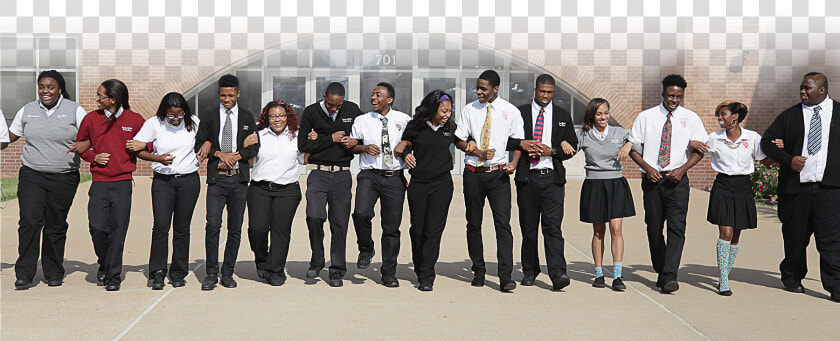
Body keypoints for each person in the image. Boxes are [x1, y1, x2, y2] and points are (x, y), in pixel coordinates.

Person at [3, 70, 87, 288]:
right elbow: (8, 138)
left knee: (55, 224)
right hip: (33, 174)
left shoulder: (75, 110)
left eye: (50, 87)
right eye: (41, 87)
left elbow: (91, 136)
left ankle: (53, 272)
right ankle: (24, 273)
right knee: (30, 222)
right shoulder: (27, 110)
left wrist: (85, 145)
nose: (45, 91)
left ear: (59, 88)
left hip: (64, 176)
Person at [760, 72, 840, 302]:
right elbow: (767, 141)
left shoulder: (838, 113)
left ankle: (835, 285)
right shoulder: (790, 116)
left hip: (830, 190)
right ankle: (792, 276)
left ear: (822, 90)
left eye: (807, 89)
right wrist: (788, 160)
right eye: (801, 89)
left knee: (831, 240)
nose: (802, 92)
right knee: (796, 237)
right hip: (797, 189)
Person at [628, 74, 707, 293]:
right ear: (662, 94)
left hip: (677, 180)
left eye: (678, 96)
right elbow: (633, 147)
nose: (674, 100)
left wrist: (682, 170)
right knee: (654, 228)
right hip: (653, 179)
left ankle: (670, 275)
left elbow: (700, 150)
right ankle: (662, 268)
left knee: (677, 228)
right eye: (670, 95)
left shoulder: (691, 118)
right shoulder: (646, 117)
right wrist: (647, 168)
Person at [454, 70, 524, 291]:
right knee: (474, 223)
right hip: (473, 173)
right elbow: (459, 140)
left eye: (483, 88)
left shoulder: (510, 112)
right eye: (478, 87)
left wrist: (514, 163)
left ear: (496, 89)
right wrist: (473, 150)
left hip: (498, 175)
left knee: (503, 225)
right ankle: (479, 271)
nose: (478, 92)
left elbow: (517, 143)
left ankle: (505, 277)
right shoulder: (469, 110)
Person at [696, 101, 772, 296]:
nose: (719, 119)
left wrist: (778, 148)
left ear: (735, 117)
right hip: (723, 185)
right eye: (718, 115)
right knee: (726, 231)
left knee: (736, 233)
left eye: (723, 115)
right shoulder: (714, 138)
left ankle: (726, 271)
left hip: (743, 187)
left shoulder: (752, 137)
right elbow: (698, 153)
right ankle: (723, 279)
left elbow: (765, 160)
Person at [126, 92, 201, 290]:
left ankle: (178, 272)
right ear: (164, 113)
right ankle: (157, 272)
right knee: (161, 226)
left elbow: (206, 140)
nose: (176, 119)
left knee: (182, 228)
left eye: (179, 115)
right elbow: (136, 148)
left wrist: (207, 145)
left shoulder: (193, 122)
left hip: (188, 181)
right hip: (163, 182)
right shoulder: (154, 124)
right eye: (171, 115)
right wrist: (157, 159)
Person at [76, 79, 145, 291]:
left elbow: (150, 141)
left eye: (100, 96)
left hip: (123, 183)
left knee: (118, 230)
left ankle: (113, 275)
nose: (97, 99)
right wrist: (93, 157)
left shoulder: (134, 120)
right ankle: (104, 262)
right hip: (99, 183)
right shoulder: (90, 119)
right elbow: (80, 146)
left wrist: (144, 144)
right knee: (97, 228)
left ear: (113, 99)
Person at [394, 90, 465, 291]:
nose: (447, 114)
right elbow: (405, 144)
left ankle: (427, 275)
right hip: (418, 184)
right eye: (443, 110)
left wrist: (474, 147)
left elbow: (462, 143)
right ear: (433, 108)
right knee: (418, 229)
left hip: (442, 184)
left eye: (449, 110)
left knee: (434, 230)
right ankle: (420, 265)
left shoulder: (450, 127)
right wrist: (406, 153)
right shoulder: (415, 126)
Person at [512, 74, 578, 291]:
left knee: (552, 227)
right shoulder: (520, 113)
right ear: (535, 90)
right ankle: (530, 271)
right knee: (529, 228)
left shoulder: (562, 115)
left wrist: (555, 150)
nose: (546, 96)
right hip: (527, 177)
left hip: (552, 179)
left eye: (550, 92)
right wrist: (522, 144)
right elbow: (508, 139)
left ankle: (558, 272)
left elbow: (572, 146)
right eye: (542, 92)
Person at [194, 74, 259, 291]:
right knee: (213, 225)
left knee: (234, 229)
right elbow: (200, 144)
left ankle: (228, 273)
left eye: (231, 95)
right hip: (217, 181)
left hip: (238, 181)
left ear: (238, 94)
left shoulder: (248, 117)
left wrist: (235, 156)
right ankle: (211, 273)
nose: (226, 99)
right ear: (218, 94)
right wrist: (220, 154)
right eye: (223, 95)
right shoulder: (210, 116)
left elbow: (254, 147)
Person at [298, 82, 363, 287]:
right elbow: (303, 145)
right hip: (318, 173)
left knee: (339, 223)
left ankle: (337, 269)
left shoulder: (352, 110)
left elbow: (363, 135)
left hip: (342, 175)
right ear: (324, 96)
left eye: (338, 105)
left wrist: (354, 142)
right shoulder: (310, 112)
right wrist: (330, 139)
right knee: (314, 216)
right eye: (331, 105)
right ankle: (317, 259)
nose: (335, 109)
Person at [346, 82, 411, 288]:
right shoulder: (362, 120)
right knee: (361, 213)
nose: (373, 98)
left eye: (378, 95)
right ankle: (366, 248)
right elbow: (352, 146)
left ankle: (389, 272)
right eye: (372, 94)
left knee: (391, 226)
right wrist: (364, 148)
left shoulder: (404, 120)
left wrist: (407, 145)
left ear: (389, 100)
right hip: (369, 176)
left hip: (395, 177)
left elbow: (413, 141)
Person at [576, 98, 635, 291]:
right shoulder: (584, 135)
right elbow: (567, 147)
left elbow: (640, 141)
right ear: (592, 115)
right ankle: (599, 274)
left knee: (616, 228)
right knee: (598, 231)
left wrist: (630, 143)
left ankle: (617, 275)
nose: (603, 117)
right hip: (594, 185)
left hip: (615, 184)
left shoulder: (620, 133)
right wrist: (562, 142)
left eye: (606, 113)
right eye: (599, 114)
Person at [246, 100, 307, 286]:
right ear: (267, 118)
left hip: (287, 190)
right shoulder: (259, 135)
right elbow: (250, 163)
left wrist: (312, 141)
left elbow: (304, 160)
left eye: (281, 115)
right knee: (258, 228)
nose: (277, 119)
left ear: (288, 116)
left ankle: (276, 271)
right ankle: (262, 260)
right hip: (260, 188)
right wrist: (245, 143)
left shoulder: (297, 135)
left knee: (280, 231)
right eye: (273, 116)